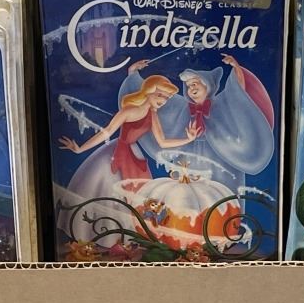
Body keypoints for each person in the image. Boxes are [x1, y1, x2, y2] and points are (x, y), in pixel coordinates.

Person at [56, 75, 199, 244]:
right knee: (109, 191)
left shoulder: (152, 114)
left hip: (133, 156)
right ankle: (108, 237)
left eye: (167, 97)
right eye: (160, 95)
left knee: (138, 195)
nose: (163, 100)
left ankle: (132, 238)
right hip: (116, 154)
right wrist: (81, 149)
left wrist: (188, 139)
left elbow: (162, 142)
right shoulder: (129, 110)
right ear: (148, 92)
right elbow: (107, 131)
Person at [119, 54, 275, 193]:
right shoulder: (180, 107)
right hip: (188, 159)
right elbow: (149, 95)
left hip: (219, 159)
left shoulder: (222, 103)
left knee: (221, 197)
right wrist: (133, 75)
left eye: (194, 84)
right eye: (188, 86)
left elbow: (237, 92)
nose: (191, 89)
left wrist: (236, 69)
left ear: (208, 85)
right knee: (187, 198)